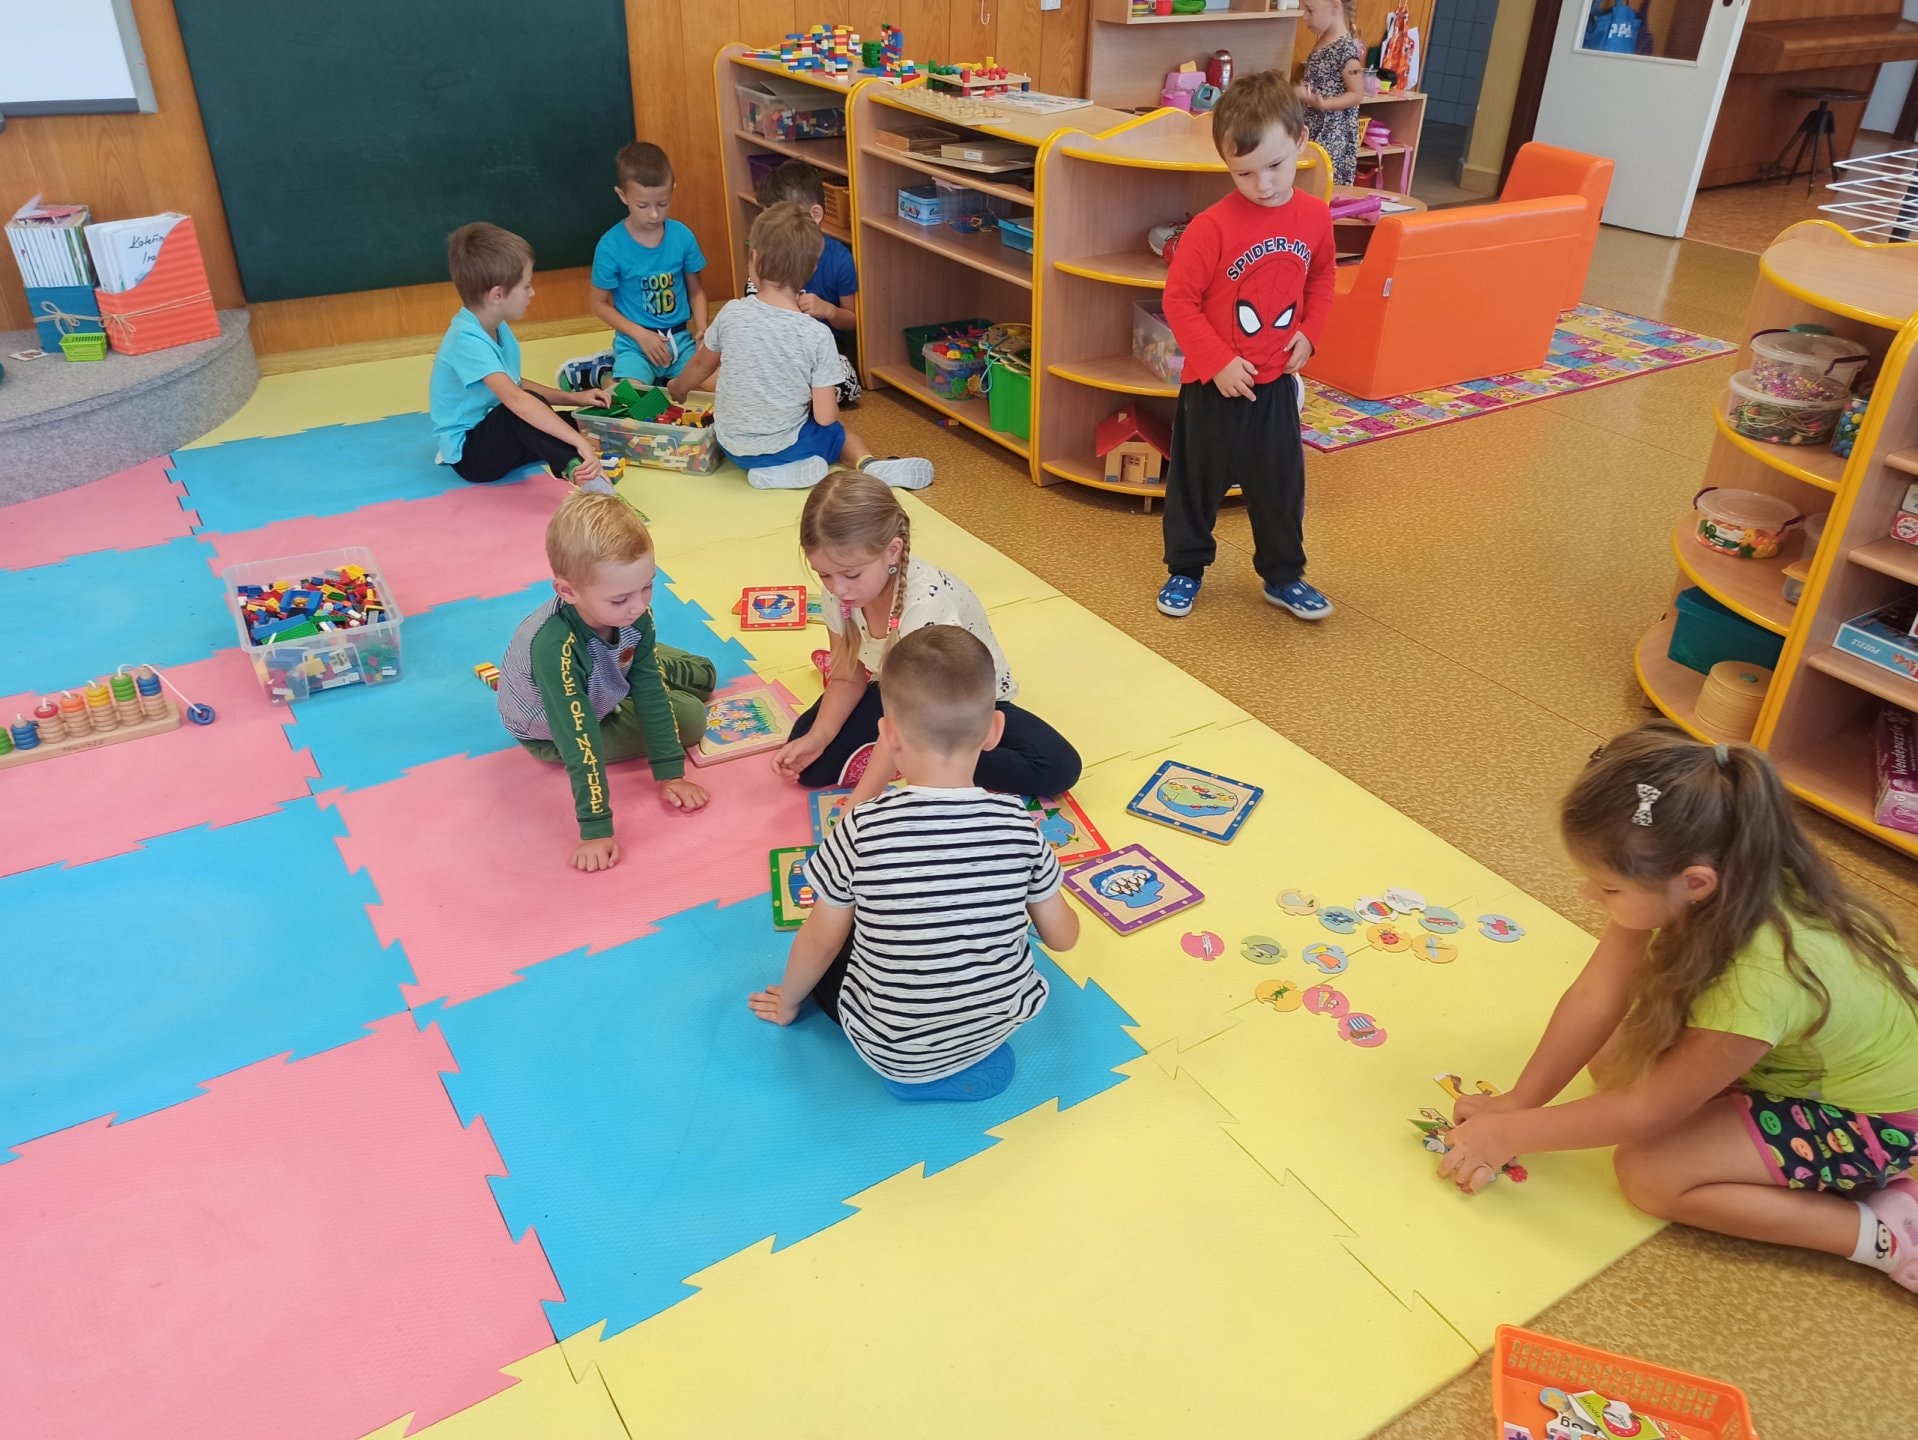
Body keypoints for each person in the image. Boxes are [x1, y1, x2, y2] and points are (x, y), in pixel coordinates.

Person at [1437, 723, 1918, 1293]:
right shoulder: (1721, 867)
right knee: (1614, 1058)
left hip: (1877, 1119)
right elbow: (1598, 994)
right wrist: (1520, 1102)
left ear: (1695, 883)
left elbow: (1645, 1112)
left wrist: (1506, 1136)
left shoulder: (1761, 979)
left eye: (1608, 889)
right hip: (1801, 1056)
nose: (1590, 896)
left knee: (1649, 1174)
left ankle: (1883, 1233)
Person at [747, 625, 1080, 1103]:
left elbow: (820, 940)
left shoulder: (862, 828)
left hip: (895, 1051)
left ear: (888, 736)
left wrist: (789, 1002)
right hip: (999, 1024)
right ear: (994, 731)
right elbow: (1062, 939)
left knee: (840, 929)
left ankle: (918, 1068)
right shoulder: (1019, 824)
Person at [771, 469, 1081, 802]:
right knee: (807, 761)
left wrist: (857, 808)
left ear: (892, 551)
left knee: (1057, 767)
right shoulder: (840, 593)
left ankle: (926, 756)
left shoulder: (925, 606)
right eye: (824, 575)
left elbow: (913, 716)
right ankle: (913, 752)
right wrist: (818, 737)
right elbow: (847, 676)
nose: (838, 589)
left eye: (851, 574)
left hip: (957, 702)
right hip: (892, 688)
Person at [1156, 70, 1335, 623]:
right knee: (1195, 486)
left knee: (1280, 487)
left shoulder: (1315, 216)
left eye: (1275, 165)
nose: (1263, 184)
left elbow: (1322, 278)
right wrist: (1216, 362)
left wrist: (1311, 331)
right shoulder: (1211, 228)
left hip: (1275, 385)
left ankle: (1284, 577)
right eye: (1244, 173)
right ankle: (1186, 569)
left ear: (1301, 141)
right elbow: (1178, 301)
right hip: (1212, 389)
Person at [494, 491, 717, 873]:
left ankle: (635, 662)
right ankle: (634, 666)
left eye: (648, 586)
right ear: (568, 592)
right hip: (555, 733)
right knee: (692, 716)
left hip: (602, 677)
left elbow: (649, 691)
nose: (640, 605)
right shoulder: (554, 647)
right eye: (620, 599)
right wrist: (595, 830)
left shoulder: (632, 611)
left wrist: (670, 775)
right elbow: (577, 737)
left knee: (705, 673)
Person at [667, 204, 929, 491]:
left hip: (733, 446)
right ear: (812, 268)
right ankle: (869, 465)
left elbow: (702, 364)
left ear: (754, 259)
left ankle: (771, 471)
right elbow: (825, 417)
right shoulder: (817, 335)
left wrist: (679, 387)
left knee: (776, 431)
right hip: (788, 445)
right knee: (838, 434)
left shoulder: (731, 312)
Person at [429, 223, 611, 487]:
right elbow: (517, 400)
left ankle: (608, 444)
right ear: (497, 295)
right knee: (527, 410)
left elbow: (516, 384)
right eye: (526, 286)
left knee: (577, 421)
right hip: (473, 457)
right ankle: (578, 471)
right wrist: (577, 443)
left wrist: (574, 398)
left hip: (502, 434)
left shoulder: (495, 325)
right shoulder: (466, 340)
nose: (532, 292)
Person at [578, 142, 709, 389]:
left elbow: (696, 291)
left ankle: (662, 378)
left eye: (663, 204)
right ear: (622, 195)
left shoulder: (682, 236)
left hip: (680, 341)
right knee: (632, 399)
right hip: (636, 344)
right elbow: (598, 304)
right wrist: (641, 335)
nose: (654, 215)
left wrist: (703, 330)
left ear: (672, 189)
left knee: (720, 388)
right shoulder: (610, 246)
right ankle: (601, 373)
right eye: (642, 206)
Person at [752, 160, 861, 406]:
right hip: (779, 348)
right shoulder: (770, 256)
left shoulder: (840, 260)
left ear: (814, 215)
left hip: (823, 352)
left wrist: (829, 310)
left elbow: (852, 321)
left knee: (846, 383)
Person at [1297, 0, 1365, 187]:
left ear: (1335, 6)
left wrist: (1324, 104)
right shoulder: (1323, 41)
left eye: (1310, 10)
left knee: (1324, 184)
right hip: (1315, 128)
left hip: (1332, 136)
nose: (1304, 17)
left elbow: (1356, 94)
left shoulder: (1346, 50)